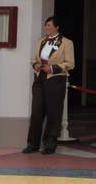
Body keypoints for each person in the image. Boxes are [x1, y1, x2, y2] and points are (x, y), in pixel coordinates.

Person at [23, 16, 74, 155]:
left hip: (55, 80)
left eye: (49, 25)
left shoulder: (66, 43)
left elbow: (70, 63)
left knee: (53, 113)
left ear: (57, 27)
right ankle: (32, 143)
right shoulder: (41, 41)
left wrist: (52, 68)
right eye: (46, 25)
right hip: (40, 79)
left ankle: (50, 144)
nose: (47, 28)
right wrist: (36, 64)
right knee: (36, 112)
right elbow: (34, 58)